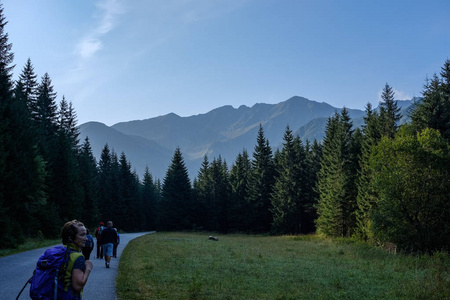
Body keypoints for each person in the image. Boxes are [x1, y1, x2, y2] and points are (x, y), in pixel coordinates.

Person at [61, 220, 94, 298]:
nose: (86, 238)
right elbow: (78, 286)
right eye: (82, 235)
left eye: (86, 234)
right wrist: (88, 268)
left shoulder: (57, 252)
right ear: (71, 237)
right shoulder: (77, 257)